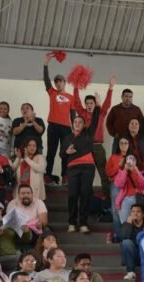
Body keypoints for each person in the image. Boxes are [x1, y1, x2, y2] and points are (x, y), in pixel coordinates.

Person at [61, 95, 101, 233]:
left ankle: (83, 223)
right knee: (72, 195)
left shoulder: (88, 133)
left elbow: (95, 119)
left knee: (85, 194)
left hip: (88, 169)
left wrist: (98, 105)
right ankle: (72, 223)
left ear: (84, 125)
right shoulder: (67, 138)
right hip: (72, 169)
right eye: (75, 122)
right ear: (72, 124)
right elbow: (62, 155)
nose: (77, 124)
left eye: (80, 122)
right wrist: (66, 151)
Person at [73, 77, 115, 198]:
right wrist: (75, 87)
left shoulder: (100, 113)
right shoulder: (82, 114)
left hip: (97, 147)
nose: (90, 105)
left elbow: (107, 104)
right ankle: (88, 198)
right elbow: (76, 102)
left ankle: (107, 197)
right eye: (87, 103)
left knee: (104, 173)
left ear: (95, 104)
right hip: (85, 148)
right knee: (87, 175)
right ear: (85, 105)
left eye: (92, 103)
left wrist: (110, 88)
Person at [43, 53, 74, 183]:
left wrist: (75, 129)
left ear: (64, 83)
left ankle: (65, 176)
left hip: (66, 128)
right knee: (51, 151)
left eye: (60, 81)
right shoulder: (52, 93)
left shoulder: (70, 97)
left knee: (65, 153)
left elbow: (73, 114)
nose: (58, 83)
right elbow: (46, 79)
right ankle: (48, 175)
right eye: (56, 81)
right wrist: (45, 64)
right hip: (53, 126)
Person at [120, 203, 144, 280]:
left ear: (143, 214)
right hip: (131, 256)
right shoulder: (126, 224)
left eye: (138, 211)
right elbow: (124, 237)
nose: (135, 213)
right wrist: (129, 225)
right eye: (133, 211)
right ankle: (130, 272)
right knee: (126, 242)